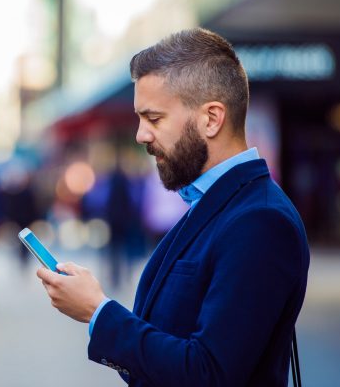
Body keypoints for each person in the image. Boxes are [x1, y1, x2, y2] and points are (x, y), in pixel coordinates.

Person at [36, 28, 310, 386]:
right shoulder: (215, 203)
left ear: (211, 118)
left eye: (154, 118)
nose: (141, 135)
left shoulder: (260, 221)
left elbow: (208, 373)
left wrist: (98, 312)